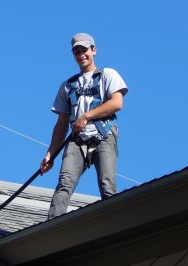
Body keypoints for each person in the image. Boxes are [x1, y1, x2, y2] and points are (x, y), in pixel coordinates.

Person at [40, 33, 128, 219]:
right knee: (65, 182)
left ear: (93, 50)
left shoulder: (108, 74)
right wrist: (50, 154)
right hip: (77, 140)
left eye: (84, 50)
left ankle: (114, 228)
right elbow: (62, 123)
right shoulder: (68, 85)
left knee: (107, 184)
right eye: (76, 51)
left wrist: (86, 116)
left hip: (103, 134)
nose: (81, 55)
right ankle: (51, 229)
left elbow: (117, 103)